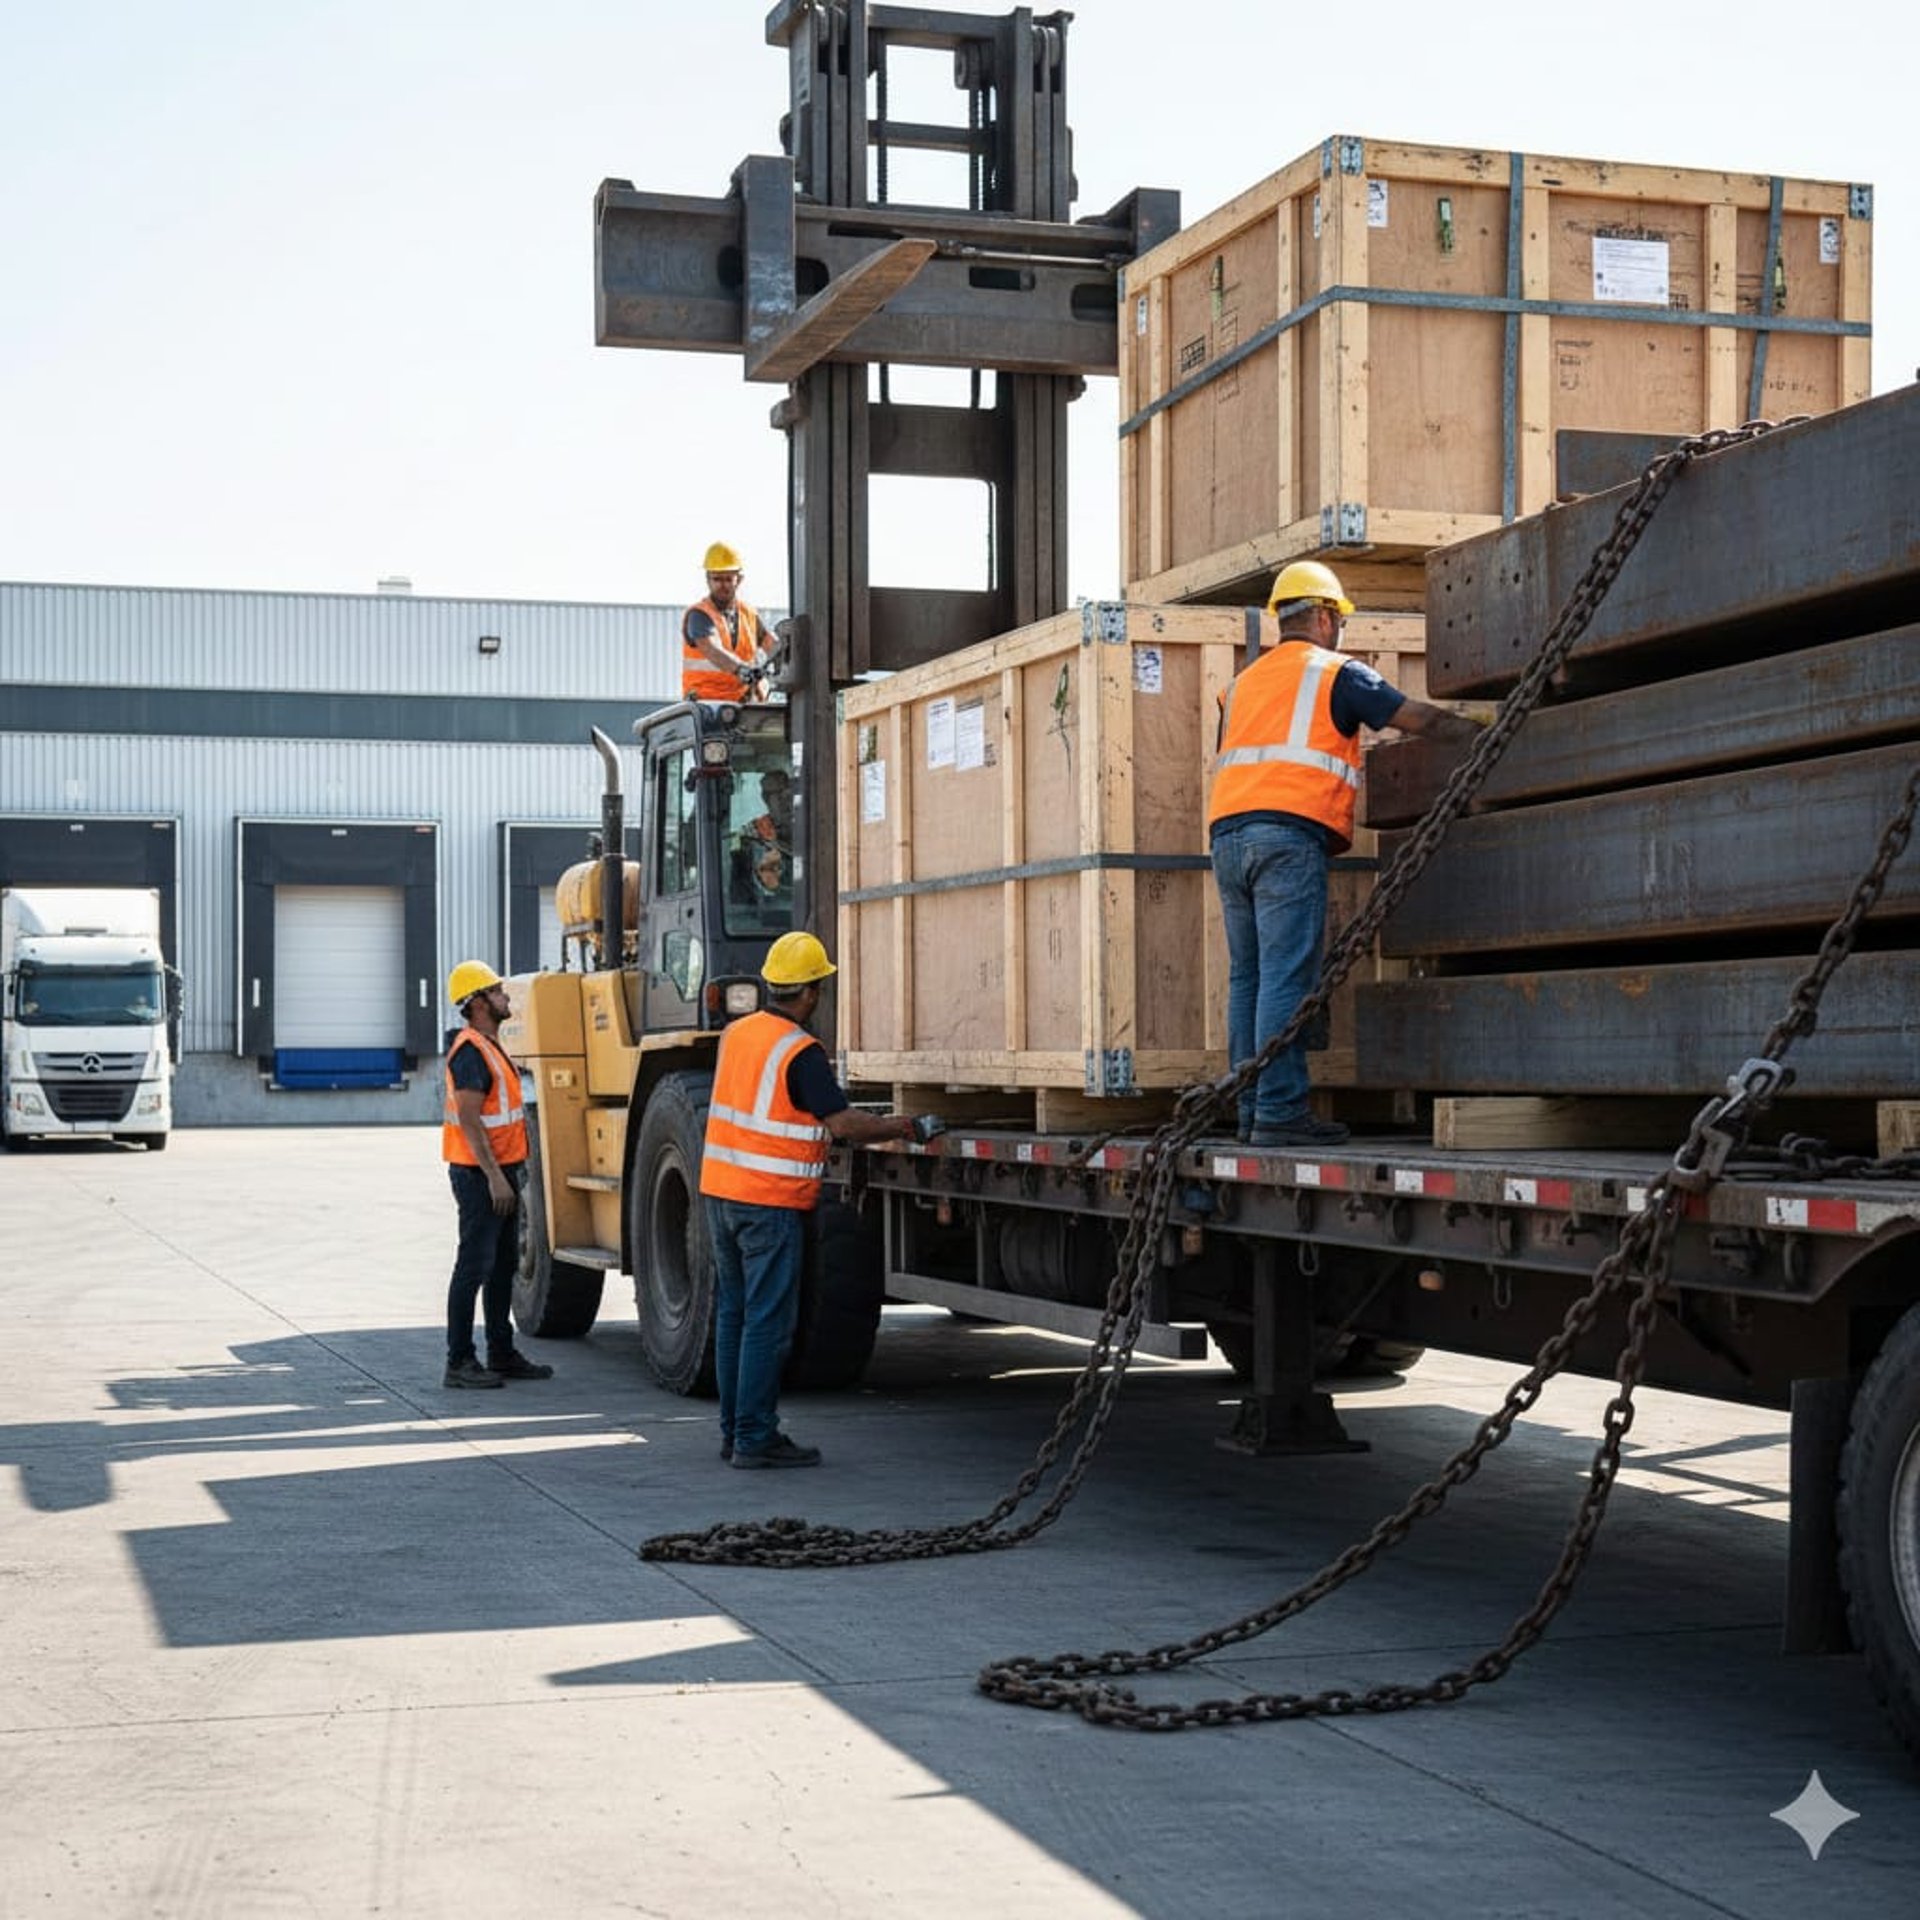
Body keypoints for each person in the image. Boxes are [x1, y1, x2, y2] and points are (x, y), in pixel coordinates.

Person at [1207, 561, 1483, 1150]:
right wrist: (1479, 730)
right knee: (1285, 975)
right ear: (1326, 617)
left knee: (1248, 977)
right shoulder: (1335, 672)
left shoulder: (1241, 685)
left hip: (1228, 839)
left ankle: (1252, 1111)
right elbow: (1415, 717)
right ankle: (1280, 1112)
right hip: (1286, 837)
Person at [699, 931, 938, 1467]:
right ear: (809, 992)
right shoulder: (800, 1051)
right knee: (767, 1322)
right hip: (768, 1202)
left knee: (735, 1314)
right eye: (820, 988)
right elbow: (844, 1124)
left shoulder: (737, 1034)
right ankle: (755, 1438)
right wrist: (906, 1126)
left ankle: (735, 1432)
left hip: (721, 1192)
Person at [440, 960, 555, 1389]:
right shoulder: (470, 1051)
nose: (506, 997)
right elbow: (470, 1121)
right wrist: (494, 1178)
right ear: (478, 1003)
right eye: (497, 991)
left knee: (503, 1265)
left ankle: (501, 1353)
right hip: (479, 1176)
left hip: (501, 1171)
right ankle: (459, 1361)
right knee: (474, 1266)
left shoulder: (490, 1045)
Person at [681, 541, 767, 702]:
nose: (723, 585)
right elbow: (712, 649)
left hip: (741, 702)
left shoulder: (749, 615)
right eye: (717, 579)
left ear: (738, 580)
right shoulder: (699, 615)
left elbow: (771, 645)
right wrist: (742, 670)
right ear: (708, 580)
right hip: (705, 704)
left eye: (728, 579)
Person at [738, 767, 793, 899]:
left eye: (788, 794)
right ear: (766, 799)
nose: (785, 801)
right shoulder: (753, 834)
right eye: (778, 795)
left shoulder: (810, 828)